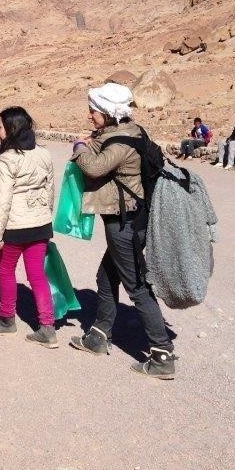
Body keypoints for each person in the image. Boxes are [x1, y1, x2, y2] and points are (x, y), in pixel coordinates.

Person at [68, 83, 177, 380]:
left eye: (93, 110)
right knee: (106, 276)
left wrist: (79, 148)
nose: (90, 115)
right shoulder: (131, 131)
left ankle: (162, 353)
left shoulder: (120, 143)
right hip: (130, 219)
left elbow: (95, 167)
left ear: (106, 112)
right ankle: (98, 335)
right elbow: (100, 144)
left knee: (137, 286)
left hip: (124, 223)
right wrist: (90, 140)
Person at [0, 107, 58, 347]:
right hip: (40, 224)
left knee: (5, 270)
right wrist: (44, 215)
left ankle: (6, 319)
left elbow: (2, 200)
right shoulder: (44, 154)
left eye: (0, 127)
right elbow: (49, 190)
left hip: (15, 226)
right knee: (37, 275)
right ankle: (47, 328)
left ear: (11, 129)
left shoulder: (8, 159)